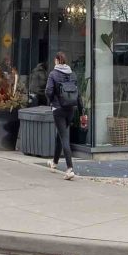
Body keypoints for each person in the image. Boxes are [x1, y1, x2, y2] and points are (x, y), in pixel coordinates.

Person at [45, 51, 87, 180]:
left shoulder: (53, 74)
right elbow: (78, 94)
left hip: (58, 109)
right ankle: (54, 163)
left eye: (55, 60)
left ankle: (69, 169)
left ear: (57, 60)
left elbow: (48, 91)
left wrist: (52, 100)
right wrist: (82, 111)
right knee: (60, 135)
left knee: (64, 138)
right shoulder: (72, 74)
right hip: (71, 109)